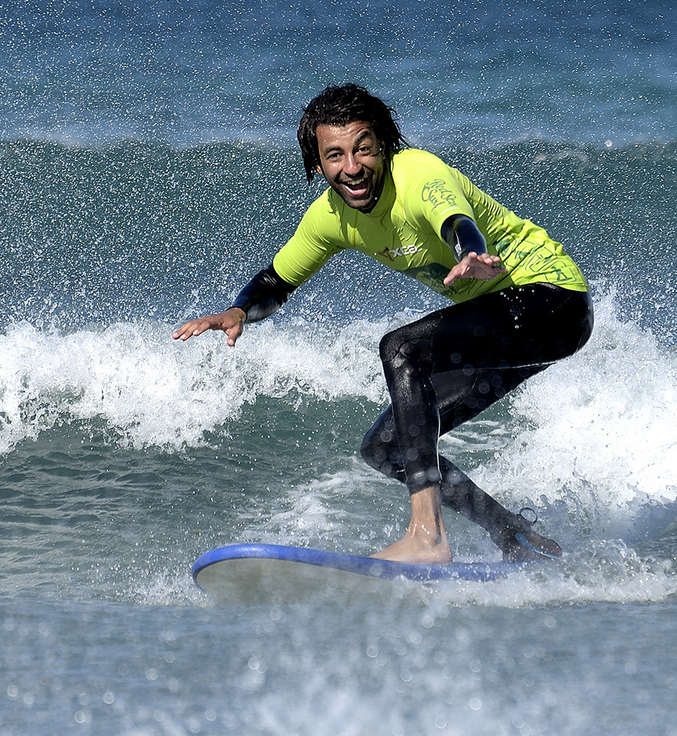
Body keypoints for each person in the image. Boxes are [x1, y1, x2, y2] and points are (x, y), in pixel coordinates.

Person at [174, 84, 591, 562]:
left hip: (553, 302)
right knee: (387, 447)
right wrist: (239, 310)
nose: (351, 167)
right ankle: (510, 534)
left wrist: (470, 252)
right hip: (498, 333)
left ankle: (427, 536)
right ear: (317, 164)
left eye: (363, 149)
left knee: (402, 348)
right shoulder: (330, 218)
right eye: (335, 155)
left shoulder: (419, 175)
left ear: (384, 145)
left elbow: (455, 220)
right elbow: (276, 279)